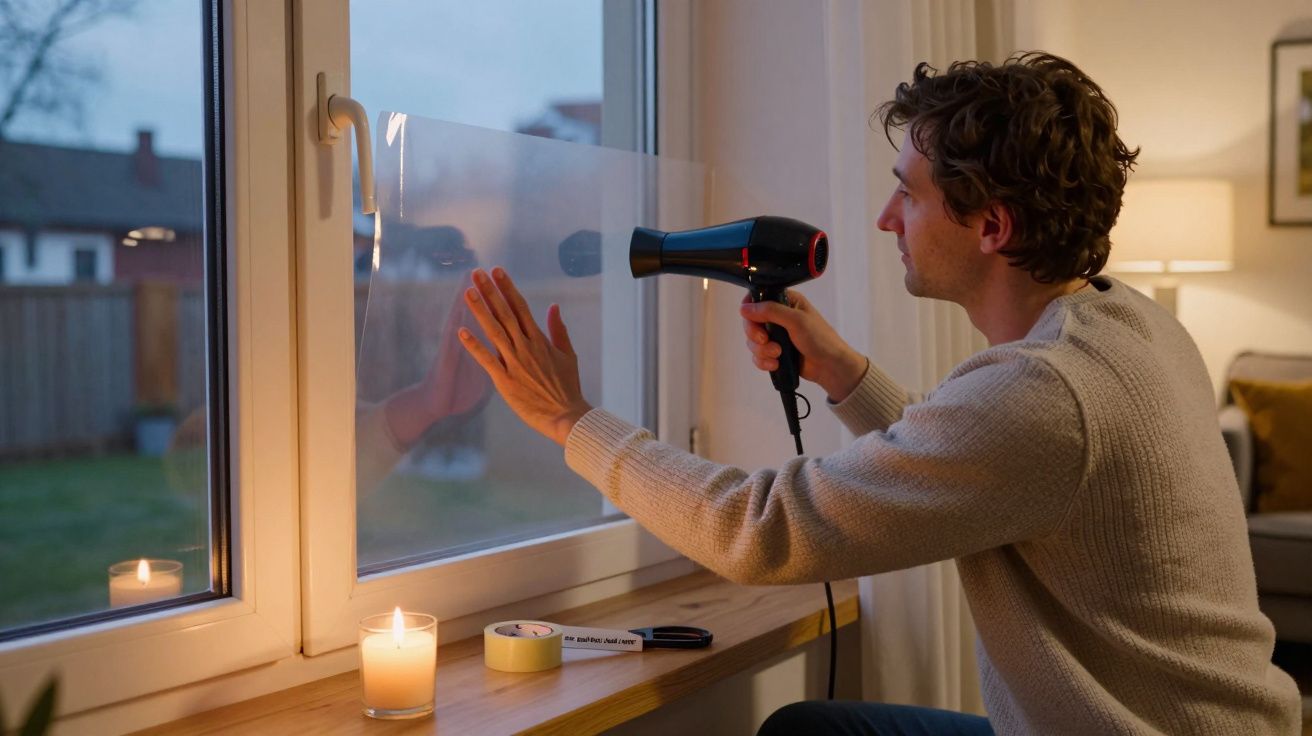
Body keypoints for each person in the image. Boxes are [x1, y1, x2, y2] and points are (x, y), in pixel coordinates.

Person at [455, 53, 1302, 735]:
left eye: (910, 192)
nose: (886, 218)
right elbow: (983, 465)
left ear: (991, 227)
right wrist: (844, 373)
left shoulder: (1044, 393)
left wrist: (570, 419)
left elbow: (759, 533)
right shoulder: (1130, 324)